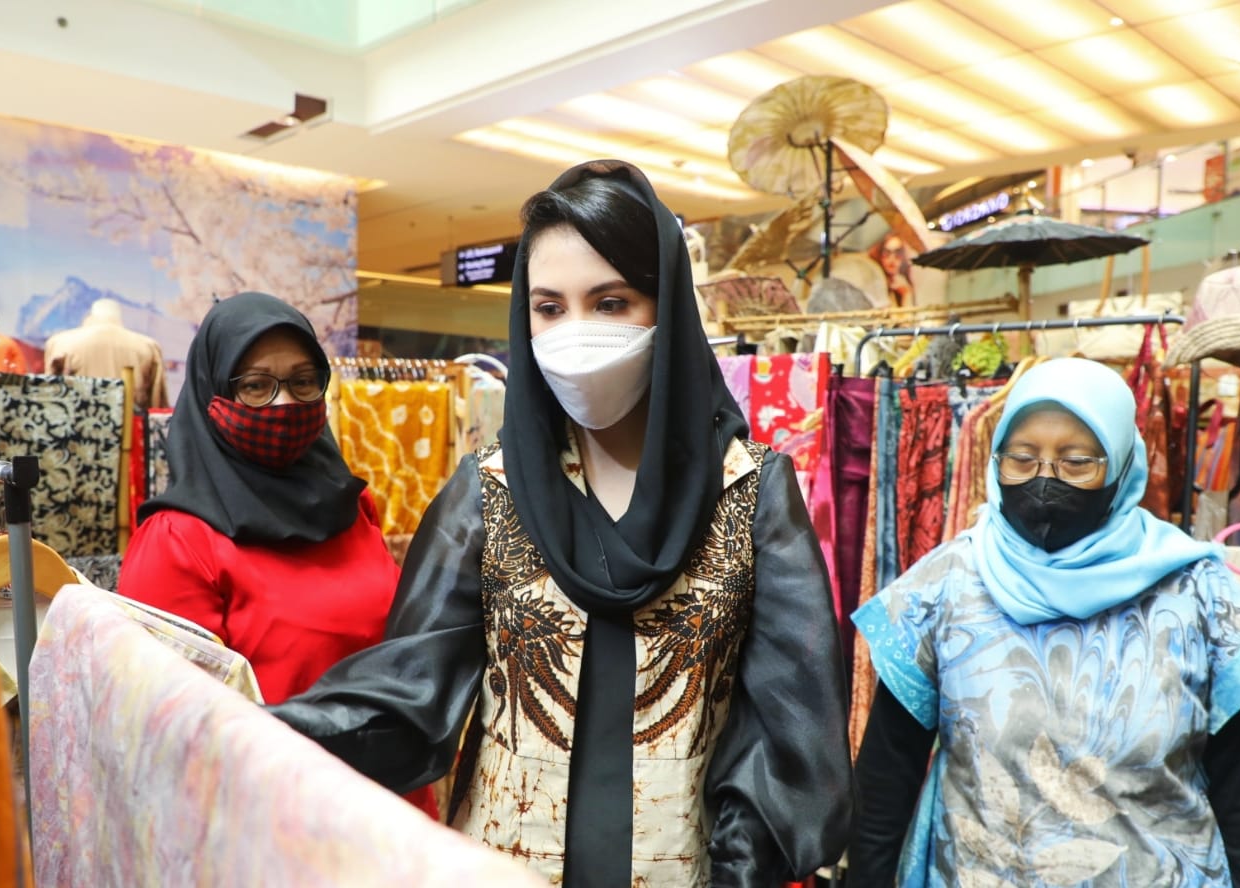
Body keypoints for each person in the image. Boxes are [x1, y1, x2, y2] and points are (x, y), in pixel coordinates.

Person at [268, 159, 854, 886]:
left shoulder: (750, 493)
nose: (576, 333)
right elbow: (408, 696)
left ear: (667, 307)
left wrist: (742, 870)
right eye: (549, 308)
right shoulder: (490, 491)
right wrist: (252, 727)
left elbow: (788, 735)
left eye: (610, 303)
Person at [848, 357, 1240, 887]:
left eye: (1077, 462)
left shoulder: (1199, 594)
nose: (1045, 479)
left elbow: (1238, 785)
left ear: (1122, 465)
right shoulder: (946, 585)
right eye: (1022, 458)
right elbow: (886, 778)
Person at [116, 291, 435, 816]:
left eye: (303, 381)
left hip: (394, 810)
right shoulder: (178, 541)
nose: (284, 404)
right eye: (255, 385)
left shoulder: (353, 508)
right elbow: (168, 730)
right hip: (275, 821)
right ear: (213, 392)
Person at [868, 233, 913, 307]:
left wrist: (906, 293)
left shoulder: (903, 284)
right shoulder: (875, 285)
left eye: (898, 252)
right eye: (886, 252)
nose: (892, 258)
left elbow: (908, 314)